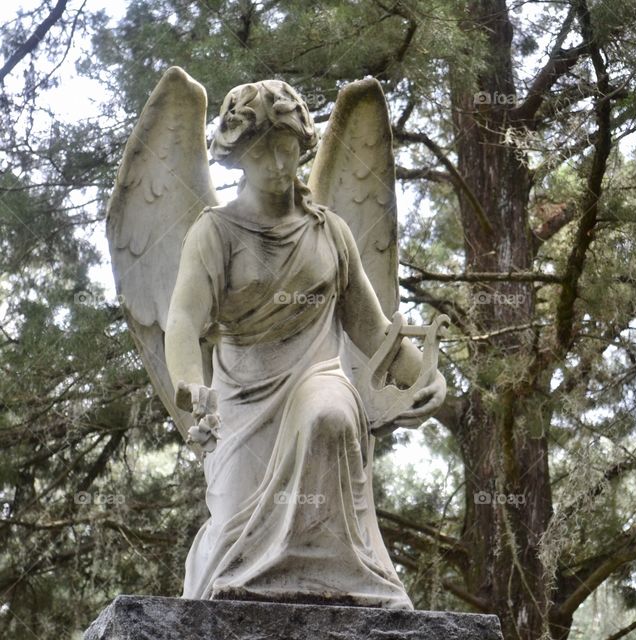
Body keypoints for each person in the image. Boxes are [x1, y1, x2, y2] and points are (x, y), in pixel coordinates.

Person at [163, 80, 445, 608]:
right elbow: (181, 320)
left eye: (286, 145)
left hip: (317, 377)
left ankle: (347, 584)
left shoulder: (330, 233)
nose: (276, 161)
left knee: (329, 416)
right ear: (239, 156)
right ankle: (245, 580)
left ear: (302, 143)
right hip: (242, 404)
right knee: (233, 537)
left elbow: (373, 331)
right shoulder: (216, 233)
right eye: (261, 149)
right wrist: (188, 385)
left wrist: (427, 379)